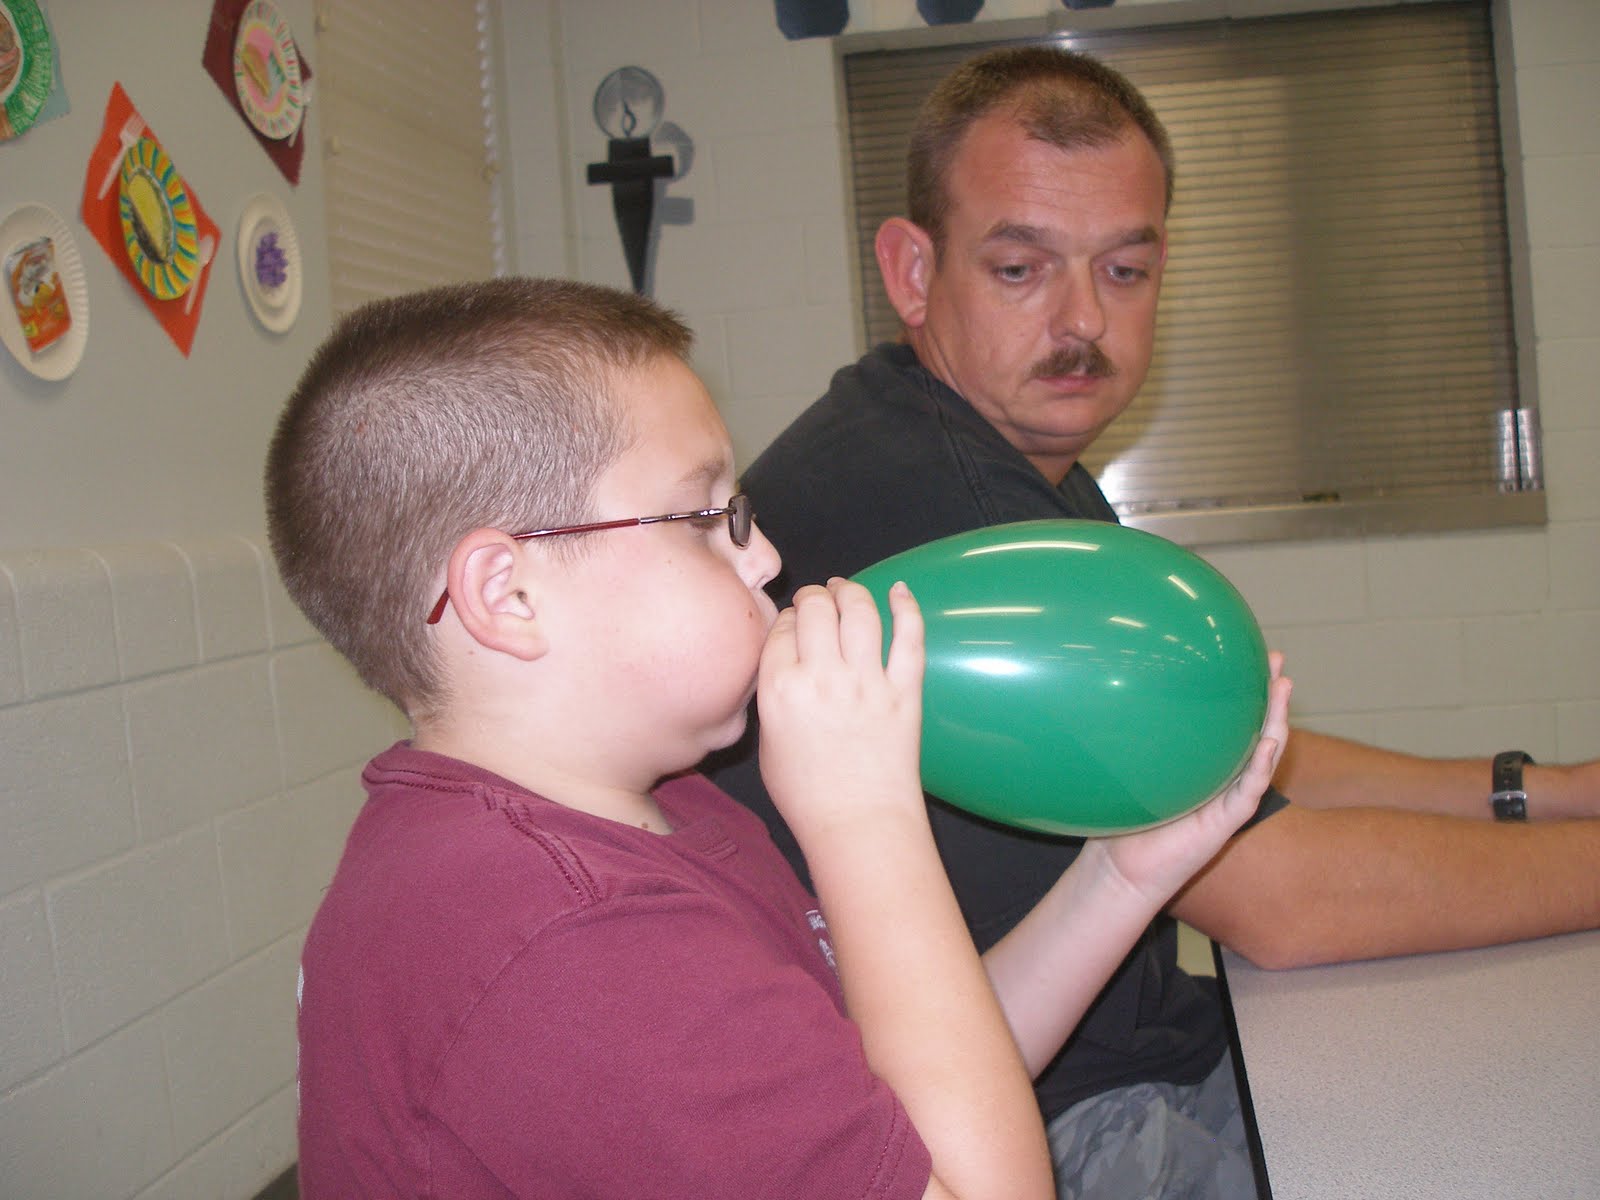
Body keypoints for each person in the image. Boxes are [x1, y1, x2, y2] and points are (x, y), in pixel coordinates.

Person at [704, 45, 1600, 1200]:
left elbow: (1215, 745)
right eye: (1021, 269)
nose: (1082, 323)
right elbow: (1279, 898)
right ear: (913, 270)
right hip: (1034, 1123)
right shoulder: (940, 505)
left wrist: (1541, 789)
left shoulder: (987, 447)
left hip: (1099, 1056)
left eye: (1124, 271)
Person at [263, 276, 1291, 1198]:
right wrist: (863, 816)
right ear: (509, 595)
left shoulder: (668, 814)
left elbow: (903, 1102)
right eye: (704, 518)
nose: (765, 558)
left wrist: (1119, 879)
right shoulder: (558, 935)